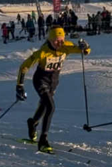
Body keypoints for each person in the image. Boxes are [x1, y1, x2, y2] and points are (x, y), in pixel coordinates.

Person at [15, 25, 90, 153]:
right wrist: (20, 85)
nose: (59, 43)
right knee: (50, 106)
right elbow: (24, 67)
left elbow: (85, 51)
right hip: (40, 80)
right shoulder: (42, 52)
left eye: (61, 40)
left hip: (53, 82)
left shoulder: (66, 46)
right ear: (49, 40)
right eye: (56, 40)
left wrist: (85, 47)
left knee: (44, 105)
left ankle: (33, 123)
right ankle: (43, 140)